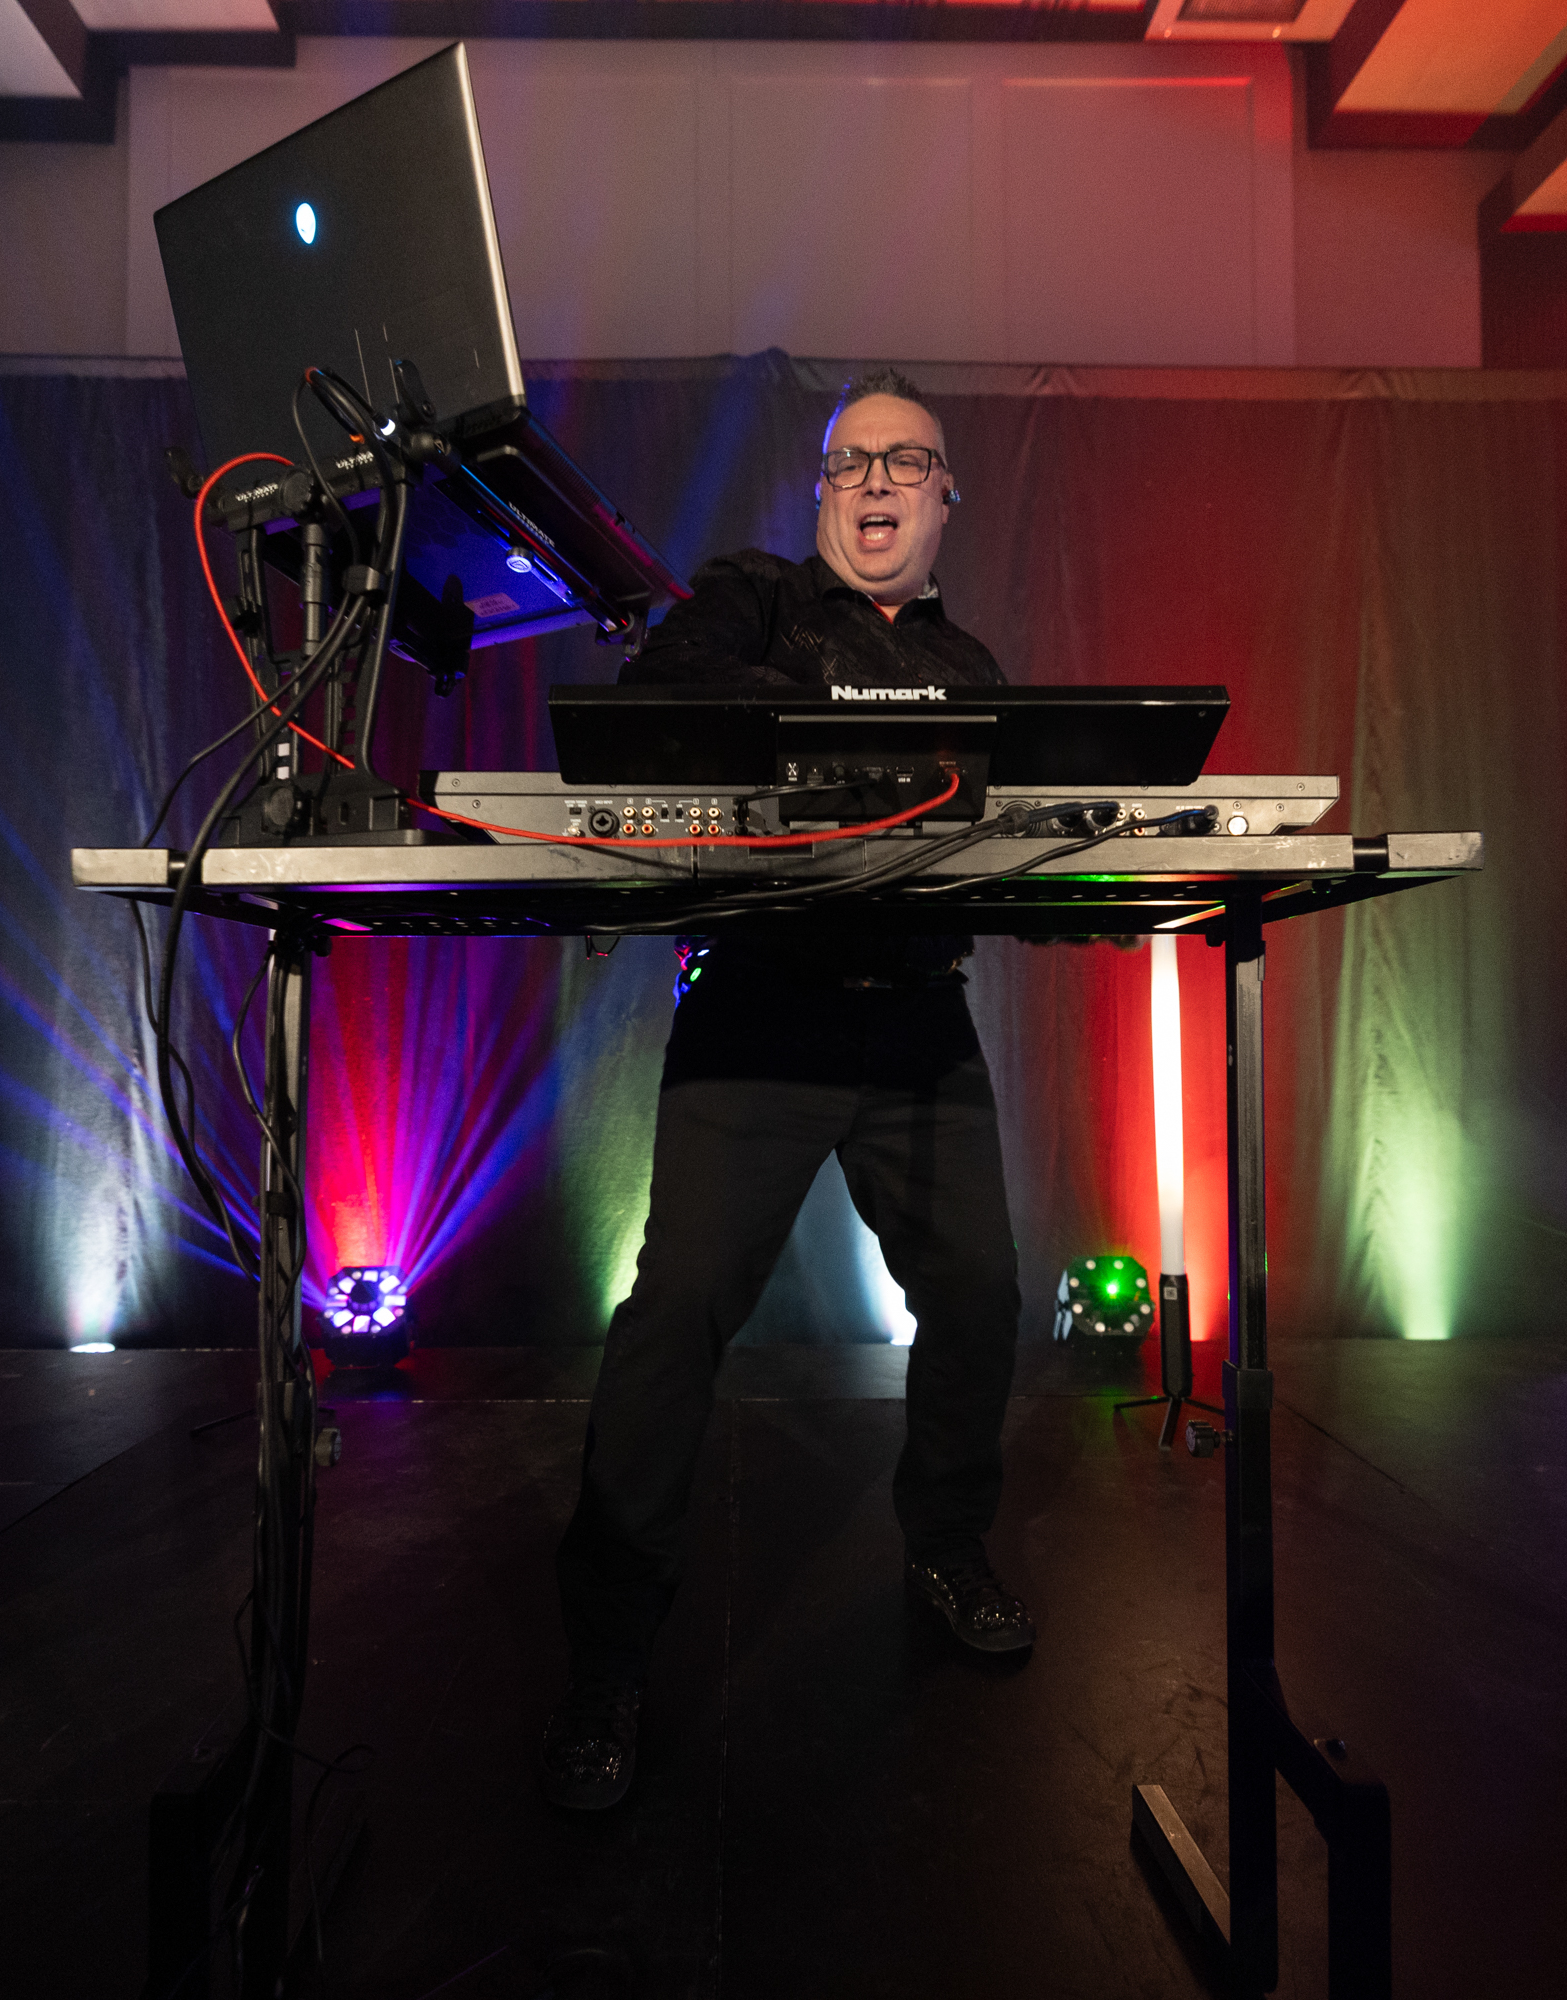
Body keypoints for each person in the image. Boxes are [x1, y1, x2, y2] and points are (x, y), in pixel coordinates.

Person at [543, 371, 1034, 1815]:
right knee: (675, 1314)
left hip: (916, 1021)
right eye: (850, 461)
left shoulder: (976, 667)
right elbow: (659, 704)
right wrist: (848, 728)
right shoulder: (748, 600)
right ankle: (608, 1657)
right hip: (760, 1012)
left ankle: (945, 1540)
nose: (876, 481)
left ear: (944, 499)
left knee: (984, 1294)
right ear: (821, 493)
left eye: (906, 461)